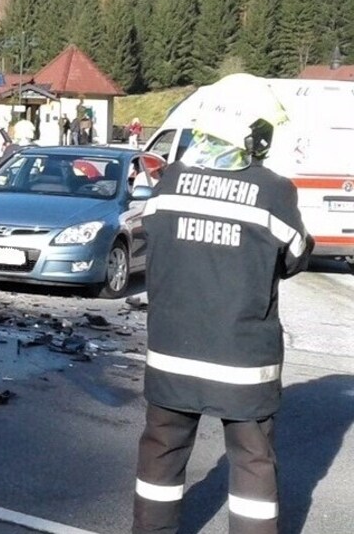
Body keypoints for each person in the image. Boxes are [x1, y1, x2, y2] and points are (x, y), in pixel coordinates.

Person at [133, 77, 313, 534]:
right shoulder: (274, 191)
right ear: (253, 134)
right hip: (241, 359)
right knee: (253, 460)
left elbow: (147, 237)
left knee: (161, 450)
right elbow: (294, 257)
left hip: (172, 350)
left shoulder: (169, 182)